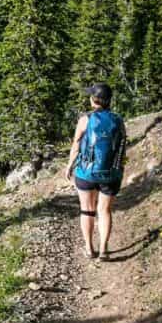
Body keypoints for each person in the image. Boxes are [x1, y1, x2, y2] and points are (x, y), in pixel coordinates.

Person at [64, 83, 125, 261]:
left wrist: (69, 165)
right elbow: (122, 145)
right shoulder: (118, 119)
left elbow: (76, 144)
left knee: (87, 210)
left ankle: (89, 249)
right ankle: (104, 249)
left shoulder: (85, 120)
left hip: (86, 173)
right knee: (105, 210)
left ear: (93, 100)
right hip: (110, 174)